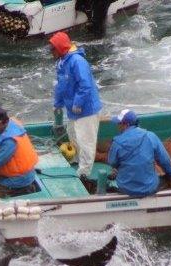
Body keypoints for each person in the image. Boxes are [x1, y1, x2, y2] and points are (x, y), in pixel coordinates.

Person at [49, 31, 102, 193]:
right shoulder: (62, 62)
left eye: (53, 49)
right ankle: (77, 160)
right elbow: (61, 85)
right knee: (73, 134)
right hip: (73, 110)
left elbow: (85, 85)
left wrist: (78, 103)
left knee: (86, 140)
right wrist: (57, 103)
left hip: (86, 110)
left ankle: (84, 171)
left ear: (60, 48)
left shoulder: (78, 62)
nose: (51, 52)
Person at [107, 109, 171, 197]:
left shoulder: (117, 142)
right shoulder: (151, 136)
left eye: (119, 123)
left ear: (126, 125)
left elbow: (112, 163)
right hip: (149, 188)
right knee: (165, 178)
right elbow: (165, 161)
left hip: (125, 188)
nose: (118, 126)